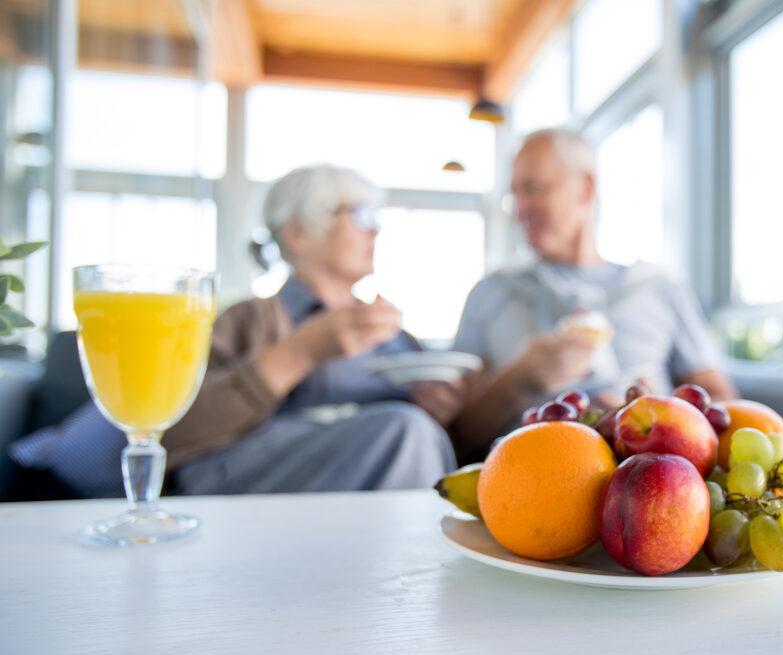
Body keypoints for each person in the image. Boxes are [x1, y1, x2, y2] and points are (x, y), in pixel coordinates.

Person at [7, 164, 462, 498]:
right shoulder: (250, 318)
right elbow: (176, 428)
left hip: (361, 486)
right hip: (247, 478)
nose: (375, 230)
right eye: (360, 215)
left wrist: (439, 405)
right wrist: (299, 352)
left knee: (415, 429)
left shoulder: (395, 331)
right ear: (299, 233)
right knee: (405, 432)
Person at [451, 128, 738, 456]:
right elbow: (459, 436)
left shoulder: (660, 288)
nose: (520, 208)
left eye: (533, 188)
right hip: (527, 480)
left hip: (650, 479)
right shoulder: (490, 292)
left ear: (585, 189)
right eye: (514, 193)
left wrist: (655, 412)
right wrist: (518, 380)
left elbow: (721, 401)